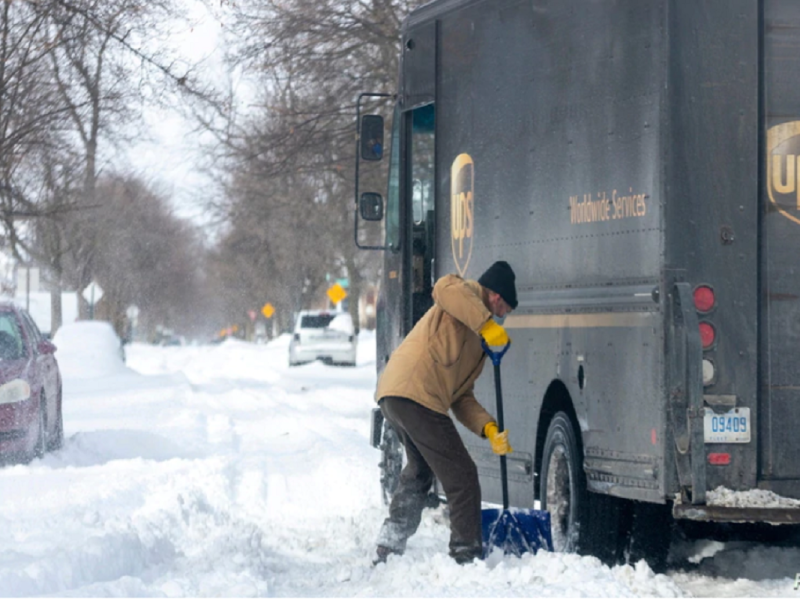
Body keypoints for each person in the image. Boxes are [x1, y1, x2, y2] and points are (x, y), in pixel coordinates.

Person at [373, 260, 518, 565]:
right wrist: (486, 324)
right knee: (462, 475)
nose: (502, 316)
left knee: (421, 469)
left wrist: (488, 428)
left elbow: (461, 396)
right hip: (415, 395)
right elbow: (443, 288)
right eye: (504, 308)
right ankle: (466, 554)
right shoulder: (465, 293)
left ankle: (390, 542)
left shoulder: (479, 341)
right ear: (495, 297)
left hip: (399, 396)